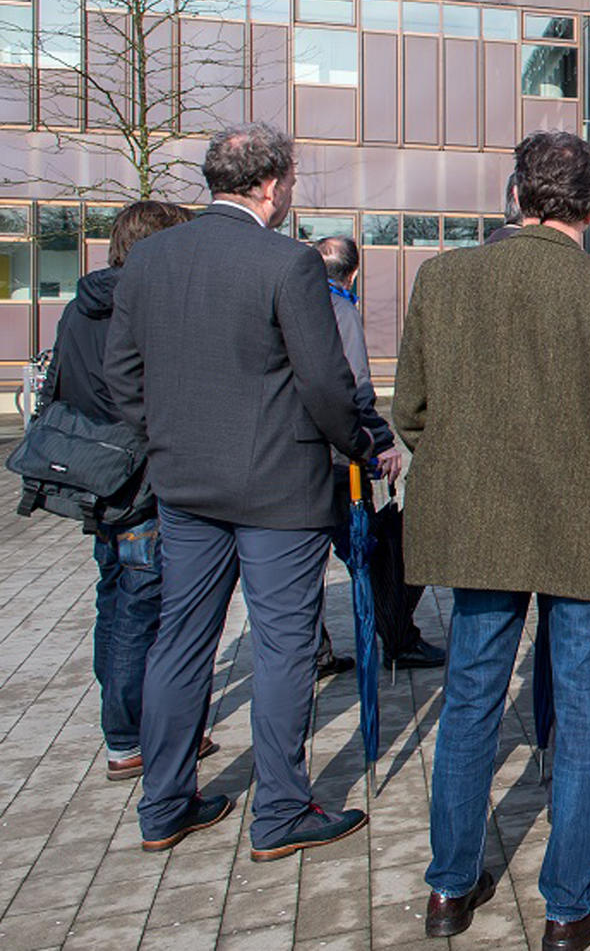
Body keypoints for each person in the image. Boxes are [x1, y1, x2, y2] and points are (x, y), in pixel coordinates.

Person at [396, 131, 590, 946]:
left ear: (517, 197)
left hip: (476, 522)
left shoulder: (441, 279)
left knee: (472, 698)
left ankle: (450, 887)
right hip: (580, 523)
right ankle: (566, 902)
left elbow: (410, 410)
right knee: (585, 712)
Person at [105, 123, 376, 860]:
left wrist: (163, 439)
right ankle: (282, 811)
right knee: (285, 644)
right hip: (279, 490)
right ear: (269, 184)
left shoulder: (151, 257)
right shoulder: (287, 264)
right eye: (289, 179)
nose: (290, 191)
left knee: (180, 639)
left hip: (184, 484)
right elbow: (325, 383)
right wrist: (360, 444)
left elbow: (121, 372)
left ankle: (164, 802)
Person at [46, 200, 196, 782]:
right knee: (140, 605)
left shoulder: (80, 306)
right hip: (138, 475)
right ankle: (130, 735)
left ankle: (123, 723)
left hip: (95, 473)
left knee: (113, 597)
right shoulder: (140, 306)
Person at [314, 237, 438, 669]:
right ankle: (397, 639)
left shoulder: (293, 307)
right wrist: (381, 444)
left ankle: (316, 651)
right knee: (373, 553)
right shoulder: (341, 310)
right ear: (353, 274)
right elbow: (356, 387)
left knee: (310, 561)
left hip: (299, 461)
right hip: (340, 459)